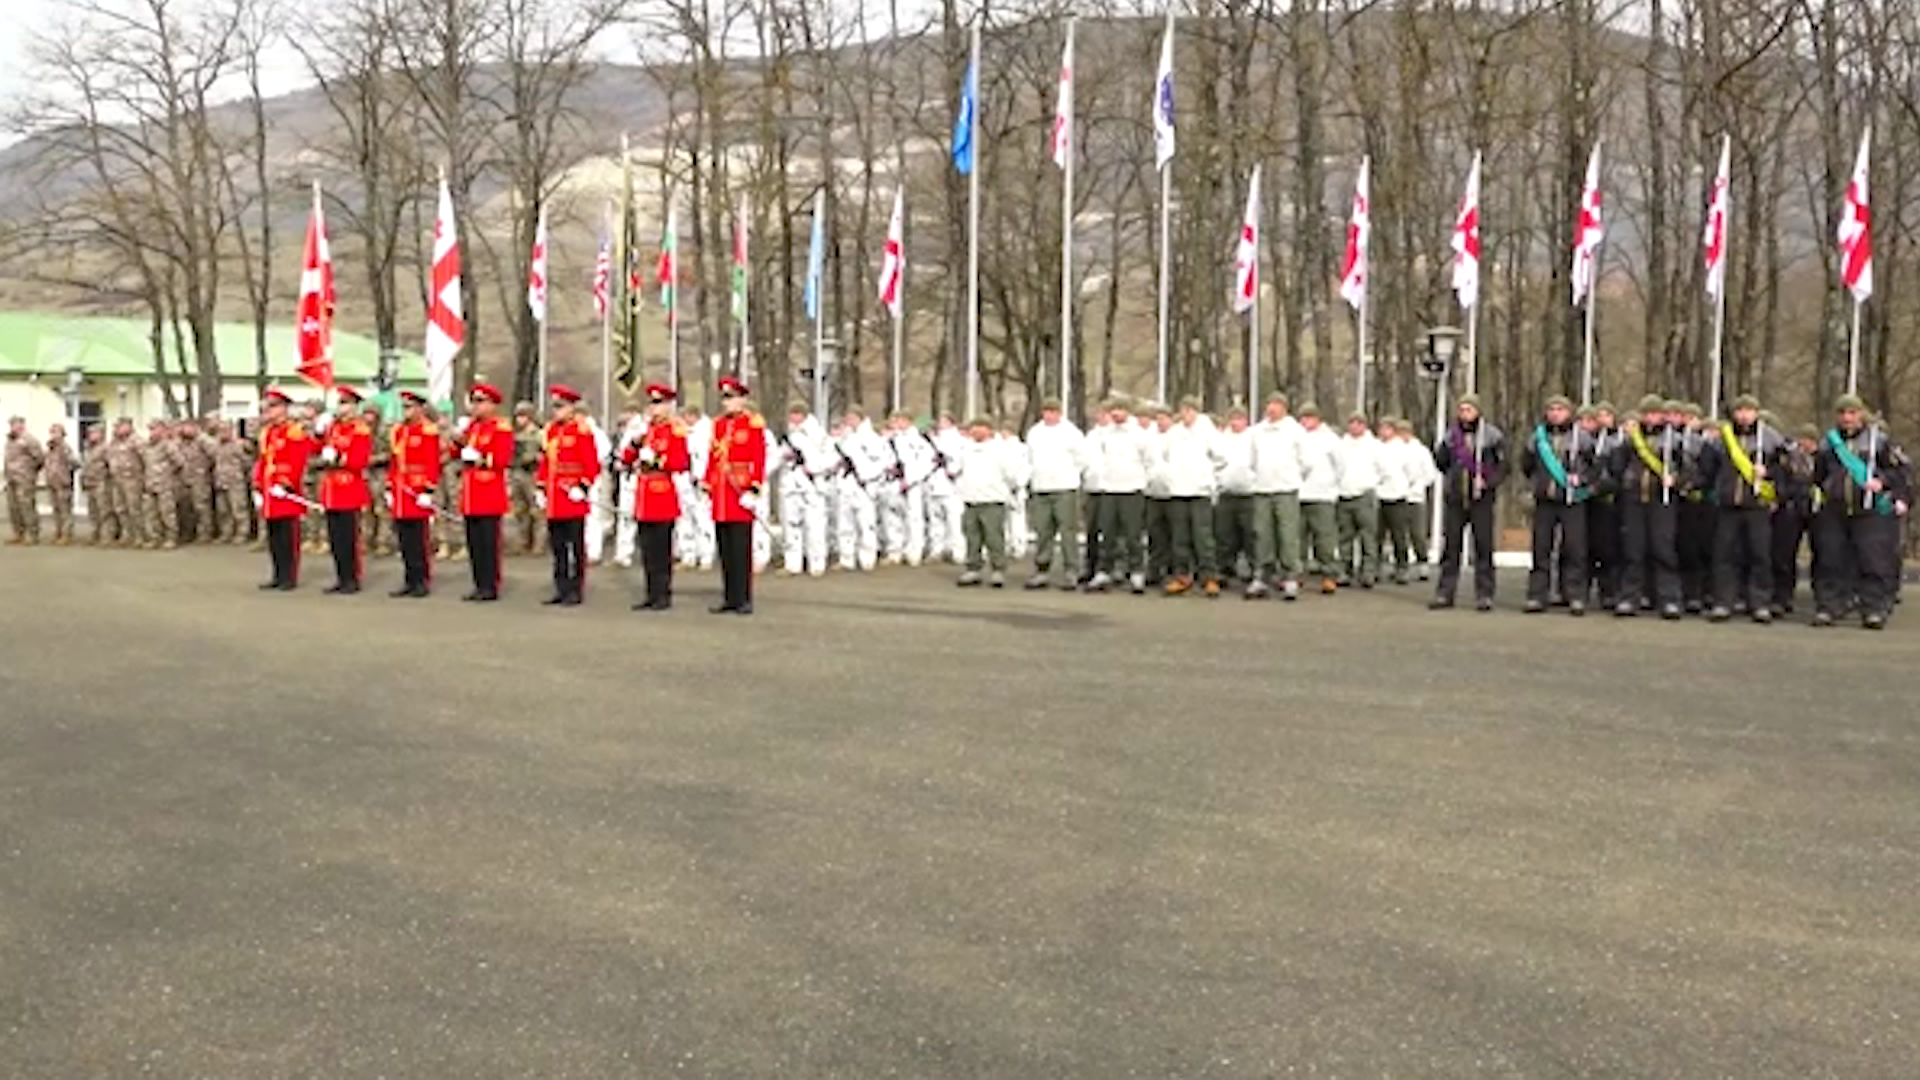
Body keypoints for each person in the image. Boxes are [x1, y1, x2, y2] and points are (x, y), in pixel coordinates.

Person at [1810, 394, 1911, 629]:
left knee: (1872, 560)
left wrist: (1882, 481)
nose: (1847, 418)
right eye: (1842, 413)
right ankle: (1829, 605)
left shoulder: (1880, 442)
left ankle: (1874, 608)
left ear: (1861, 415)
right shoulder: (1828, 444)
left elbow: (1901, 472)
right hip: (1835, 510)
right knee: (1831, 558)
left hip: (1869, 511)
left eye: (1852, 413)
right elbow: (1818, 475)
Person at [1694, 393, 1788, 623]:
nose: (1744, 415)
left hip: (1757, 505)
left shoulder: (1771, 439)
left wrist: (1769, 474)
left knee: (1759, 555)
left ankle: (1759, 602)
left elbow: (1785, 471)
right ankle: (1723, 601)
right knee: (1724, 555)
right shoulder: (1721, 439)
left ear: (1756, 413)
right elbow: (1707, 469)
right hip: (1727, 506)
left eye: (1749, 411)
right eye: (1740, 411)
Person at [615, 384, 692, 610]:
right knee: (647, 549)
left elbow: (680, 462)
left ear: (668, 406)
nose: (654, 408)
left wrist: (657, 460)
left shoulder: (675, 429)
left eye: (658, 403)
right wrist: (634, 445)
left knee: (661, 549)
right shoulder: (646, 430)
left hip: (662, 492)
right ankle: (651, 593)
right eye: (651, 403)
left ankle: (662, 594)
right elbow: (627, 459)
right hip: (644, 494)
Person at [1518, 395, 1594, 615]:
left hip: (1572, 500)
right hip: (1545, 501)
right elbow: (1526, 464)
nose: (1555, 413)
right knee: (1541, 548)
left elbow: (1594, 467)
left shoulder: (1582, 438)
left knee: (1574, 548)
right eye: (1551, 409)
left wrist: (1582, 479)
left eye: (1560, 409)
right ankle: (1537, 595)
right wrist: (1538, 484)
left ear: (1569, 412)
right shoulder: (1537, 438)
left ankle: (1575, 595)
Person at [1431, 393, 1505, 611]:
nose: (1465, 414)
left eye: (1469, 409)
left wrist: (1489, 482)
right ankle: (1445, 592)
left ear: (1477, 411)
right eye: (1462, 409)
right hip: (1456, 498)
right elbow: (1441, 461)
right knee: (1451, 547)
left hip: (1481, 499)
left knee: (1483, 547)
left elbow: (1503, 465)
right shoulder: (1451, 436)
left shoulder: (1492, 436)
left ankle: (1485, 594)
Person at [535, 385, 600, 606]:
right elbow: (546, 462)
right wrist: (541, 487)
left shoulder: (581, 430)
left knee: (576, 546)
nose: (557, 411)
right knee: (558, 547)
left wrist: (583, 487)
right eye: (554, 406)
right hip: (555, 497)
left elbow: (591, 464)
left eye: (561, 406)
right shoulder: (551, 430)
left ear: (571, 407)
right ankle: (561, 587)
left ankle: (576, 588)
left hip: (572, 496)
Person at [707, 376, 767, 614]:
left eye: (731, 398)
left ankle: (743, 598)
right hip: (722, 491)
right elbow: (713, 456)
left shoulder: (752, 423)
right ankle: (729, 596)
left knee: (741, 547)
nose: (727, 403)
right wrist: (708, 482)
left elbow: (759, 457)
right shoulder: (719, 425)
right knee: (725, 548)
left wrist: (754, 487)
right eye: (725, 398)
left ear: (742, 400)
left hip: (739, 489)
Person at [253, 387, 318, 590]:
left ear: (284, 408)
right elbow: (263, 461)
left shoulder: (294, 431)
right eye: (268, 406)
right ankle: (277, 574)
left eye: (274, 406)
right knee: (274, 536)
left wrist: (285, 481)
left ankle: (289, 576)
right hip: (270, 491)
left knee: (288, 536)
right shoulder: (267, 433)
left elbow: (297, 460)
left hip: (286, 492)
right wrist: (257, 485)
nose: (270, 411)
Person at [1087, 399, 1152, 594]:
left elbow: (1150, 461)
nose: (1116, 413)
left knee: (1133, 535)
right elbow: (1097, 459)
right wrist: (1101, 478)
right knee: (1107, 533)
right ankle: (1103, 571)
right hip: (1109, 489)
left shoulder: (1139, 435)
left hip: (1132, 490)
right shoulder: (1105, 434)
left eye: (1120, 409)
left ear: (1127, 412)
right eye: (1113, 410)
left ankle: (1136, 572)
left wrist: (1143, 481)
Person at [457, 383, 514, 602]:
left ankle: (490, 585)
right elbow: (457, 451)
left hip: (489, 491)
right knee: (474, 542)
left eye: (480, 401)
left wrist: (480, 458)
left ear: (492, 404)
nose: (476, 406)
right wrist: (456, 440)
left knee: (489, 542)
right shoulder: (472, 427)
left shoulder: (500, 427)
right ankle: (479, 583)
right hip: (471, 492)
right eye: (474, 401)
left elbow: (502, 458)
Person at [1248, 392, 1307, 599]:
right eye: (1269, 404)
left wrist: (1291, 478)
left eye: (1276, 404)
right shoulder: (1257, 432)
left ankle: (1290, 576)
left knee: (1287, 535)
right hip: (1262, 490)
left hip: (1286, 490)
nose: (1271, 408)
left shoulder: (1295, 431)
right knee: (1263, 534)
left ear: (1284, 408)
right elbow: (1251, 461)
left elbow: (1306, 462)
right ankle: (1263, 576)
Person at [1162, 397, 1223, 596]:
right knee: (1180, 537)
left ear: (1197, 412)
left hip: (1200, 492)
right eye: (1184, 409)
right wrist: (1171, 477)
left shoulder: (1207, 431)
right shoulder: (1173, 433)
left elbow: (1221, 456)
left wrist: (1206, 476)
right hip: (1178, 491)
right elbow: (1163, 456)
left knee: (1203, 537)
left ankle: (1209, 577)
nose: (1187, 414)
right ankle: (1182, 576)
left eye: (1191, 410)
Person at [950, 415, 1021, 587]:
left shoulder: (1000, 449)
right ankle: (973, 568)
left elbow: (1012, 475)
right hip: (971, 499)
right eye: (973, 427)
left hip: (992, 500)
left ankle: (998, 569)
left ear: (988, 429)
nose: (975, 431)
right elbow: (955, 469)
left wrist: (1004, 490)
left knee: (994, 537)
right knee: (972, 537)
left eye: (979, 427)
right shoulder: (966, 449)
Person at [317, 386, 374, 594]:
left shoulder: (360, 429)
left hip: (349, 488)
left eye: (345, 403)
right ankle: (341, 577)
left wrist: (340, 458)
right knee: (335, 539)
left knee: (349, 538)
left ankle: (352, 578)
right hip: (332, 488)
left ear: (354, 406)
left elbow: (360, 459)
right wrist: (318, 433)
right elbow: (317, 448)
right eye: (340, 403)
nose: (341, 407)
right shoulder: (333, 427)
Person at [387, 391, 442, 598]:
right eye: (404, 407)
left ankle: (421, 580)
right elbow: (395, 461)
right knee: (404, 539)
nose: (406, 411)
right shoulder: (399, 431)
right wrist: (389, 486)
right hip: (402, 490)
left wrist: (428, 489)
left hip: (417, 490)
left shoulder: (428, 430)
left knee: (419, 538)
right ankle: (409, 579)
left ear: (420, 408)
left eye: (409, 407)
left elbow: (432, 462)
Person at [777, 402, 835, 576]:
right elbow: (778, 457)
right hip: (791, 484)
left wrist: (815, 468)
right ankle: (792, 562)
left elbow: (831, 457)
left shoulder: (818, 434)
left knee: (814, 525)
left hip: (812, 485)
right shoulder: (788, 435)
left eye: (796, 414)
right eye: (791, 414)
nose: (793, 418)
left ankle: (816, 562)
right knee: (791, 525)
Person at [1771, 423, 1821, 615]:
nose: (1806, 444)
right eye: (1803, 439)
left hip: (1816, 510)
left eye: (1810, 440)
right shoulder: (1788, 460)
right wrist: (1785, 496)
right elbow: (1780, 480)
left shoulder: (1823, 459)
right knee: (1784, 554)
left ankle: (1822, 596)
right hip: (1791, 509)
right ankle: (1783, 596)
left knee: (1823, 554)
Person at [1333, 410, 1383, 589]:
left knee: (1368, 537)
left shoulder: (1374, 446)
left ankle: (1368, 572)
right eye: (1352, 423)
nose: (1355, 427)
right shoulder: (1340, 445)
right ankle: (1344, 570)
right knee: (1344, 536)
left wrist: (1372, 484)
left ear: (1364, 426)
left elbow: (1384, 469)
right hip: (1344, 495)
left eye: (1358, 423)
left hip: (1365, 496)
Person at [1296, 403, 1342, 594]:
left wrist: (1331, 486)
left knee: (1324, 539)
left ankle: (1329, 574)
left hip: (1322, 496)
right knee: (1297, 539)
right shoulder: (1295, 436)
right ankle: (1297, 573)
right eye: (1303, 417)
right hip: (1298, 495)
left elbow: (1341, 466)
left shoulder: (1330, 439)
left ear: (1318, 419)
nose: (1306, 421)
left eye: (1310, 417)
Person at [834, 405, 886, 572]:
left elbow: (879, 463)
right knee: (845, 525)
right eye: (847, 418)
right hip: (846, 484)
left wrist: (865, 476)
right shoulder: (845, 438)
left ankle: (867, 558)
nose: (849, 421)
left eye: (852, 418)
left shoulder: (871, 438)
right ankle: (846, 558)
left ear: (860, 418)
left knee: (866, 524)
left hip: (863, 486)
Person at [881, 410, 937, 566]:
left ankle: (914, 551)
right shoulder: (890, 440)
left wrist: (911, 479)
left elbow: (928, 463)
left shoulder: (919, 441)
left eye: (898, 420)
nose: (895, 423)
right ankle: (895, 551)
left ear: (907, 421)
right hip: (892, 482)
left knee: (914, 519)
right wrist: (888, 469)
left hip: (912, 484)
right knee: (892, 518)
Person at [1583, 403, 1623, 609]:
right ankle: (1581, 590)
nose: (1603, 418)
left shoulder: (1619, 442)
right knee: (1585, 547)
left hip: (1610, 500)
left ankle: (1609, 591)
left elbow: (1618, 472)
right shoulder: (1586, 441)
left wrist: (1603, 486)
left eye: (1607, 414)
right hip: (1588, 500)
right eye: (1599, 415)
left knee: (1609, 549)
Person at [1213, 406, 1257, 585]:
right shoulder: (1221, 439)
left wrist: (1253, 479)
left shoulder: (1253, 438)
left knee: (1250, 534)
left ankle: (1253, 568)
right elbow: (1215, 462)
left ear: (1246, 420)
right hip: (1226, 493)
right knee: (1224, 534)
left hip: (1248, 494)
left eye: (1239, 419)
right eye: (1233, 418)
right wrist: (1219, 480)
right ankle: (1224, 568)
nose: (1235, 422)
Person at [139, 418, 182, 550]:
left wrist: (166, 473)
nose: (152, 432)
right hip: (150, 484)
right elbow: (143, 463)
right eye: (150, 429)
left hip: (165, 485)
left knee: (167, 513)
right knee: (151, 513)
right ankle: (155, 538)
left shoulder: (168, 445)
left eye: (154, 429)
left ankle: (171, 538)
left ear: (162, 430)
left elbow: (179, 462)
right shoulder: (147, 446)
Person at [509, 402, 545, 554]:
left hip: (532, 473)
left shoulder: (538, 434)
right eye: (518, 416)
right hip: (518, 472)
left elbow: (545, 453)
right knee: (520, 509)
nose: (519, 419)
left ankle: (539, 543)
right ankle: (522, 542)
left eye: (522, 415)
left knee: (536, 510)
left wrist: (536, 459)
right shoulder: (515, 434)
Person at [4, 415, 45, 545]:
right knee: (13, 507)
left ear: (22, 425)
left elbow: (40, 458)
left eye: (15, 424)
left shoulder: (30, 440)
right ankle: (18, 533)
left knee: (26, 506)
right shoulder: (10, 441)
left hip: (25, 478)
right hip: (11, 478)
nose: (12, 427)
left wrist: (29, 472)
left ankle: (32, 534)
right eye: (11, 424)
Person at [105, 418, 145, 548]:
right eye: (116, 427)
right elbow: (108, 458)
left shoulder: (137, 441)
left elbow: (145, 459)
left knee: (134, 509)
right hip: (117, 480)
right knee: (120, 509)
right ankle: (126, 534)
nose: (116, 429)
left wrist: (142, 478)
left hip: (132, 480)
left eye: (120, 426)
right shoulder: (114, 443)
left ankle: (139, 536)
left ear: (128, 426)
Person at [212, 422, 253, 545]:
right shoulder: (216, 446)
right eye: (220, 430)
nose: (223, 433)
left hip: (235, 482)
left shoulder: (238, 445)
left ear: (231, 431)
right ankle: (226, 533)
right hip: (221, 482)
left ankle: (242, 533)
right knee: (223, 510)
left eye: (225, 430)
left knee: (238, 508)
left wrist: (239, 474)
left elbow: (247, 462)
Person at [43, 423, 77, 545]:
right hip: (52, 483)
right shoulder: (50, 449)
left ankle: (67, 534)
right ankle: (58, 532)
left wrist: (65, 473)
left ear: (62, 434)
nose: (54, 435)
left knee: (65, 510)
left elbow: (74, 463)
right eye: (52, 432)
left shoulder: (65, 448)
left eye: (56, 432)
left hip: (63, 483)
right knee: (56, 509)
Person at [80, 427, 110, 545]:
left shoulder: (105, 448)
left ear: (101, 434)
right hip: (90, 482)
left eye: (94, 433)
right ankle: (94, 533)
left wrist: (107, 478)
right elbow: (85, 466)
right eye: (90, 433)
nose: (91, 435)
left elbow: (110, 464)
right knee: (93, 511)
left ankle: (106, 535)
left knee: (104, 510)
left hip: (101, 482)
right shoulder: (88, 449)